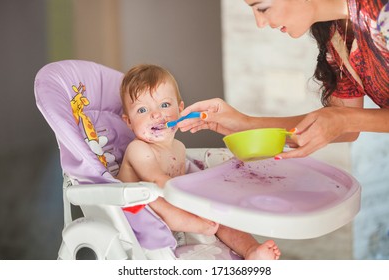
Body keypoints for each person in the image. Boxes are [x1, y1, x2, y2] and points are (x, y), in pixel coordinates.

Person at [178, 0, 389, 160]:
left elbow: (345, 121)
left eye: (262, 8)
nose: (260, 23)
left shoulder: (381, 13)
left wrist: (344, 120)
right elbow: (344, 126)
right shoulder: (337, 37)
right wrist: (245, 124)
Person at [117, 63, 281, 260]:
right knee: (155, 201)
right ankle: (200, 226)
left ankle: (252, 250)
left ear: (180, 110)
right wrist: (196, 215)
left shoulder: (179, 148)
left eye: (165, 105)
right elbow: (156, 181)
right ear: (128, 121)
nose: (156, 114)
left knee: (222, 215)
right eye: (142, 110)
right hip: (139, 212)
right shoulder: (139, 149)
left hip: (176, 206)